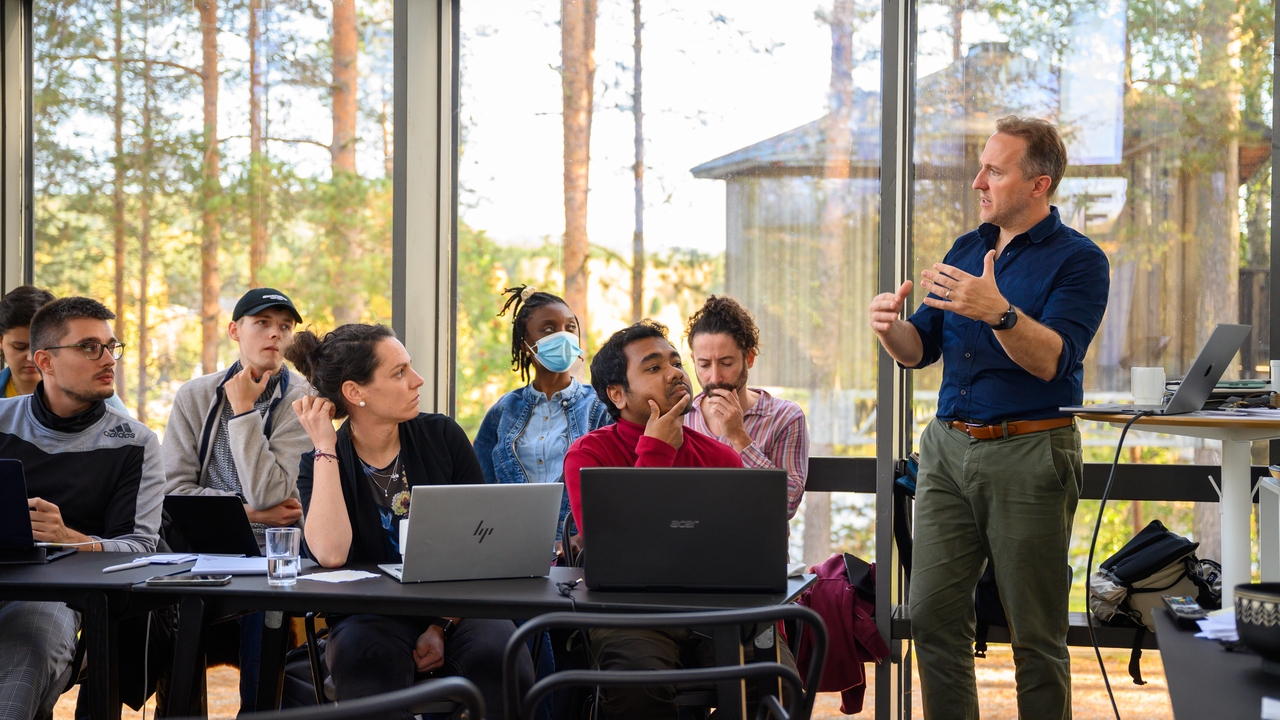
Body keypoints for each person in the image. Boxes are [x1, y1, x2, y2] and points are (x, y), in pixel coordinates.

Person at [868, 115, 1110, 720]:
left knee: (1037, 635)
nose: (978, 181)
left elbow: (1054, 360)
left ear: (1038, 184)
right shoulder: (967, 247)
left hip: (1030, 453)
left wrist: (999, 313)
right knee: (932, 618)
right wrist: (889, 328)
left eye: (994, 170)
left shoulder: (1080, 261)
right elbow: (920, 349)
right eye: (981, 166)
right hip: (948, 450)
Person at [288, 323, 533, 719]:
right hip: (369, 618)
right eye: (399, 372)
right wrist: (324, 446)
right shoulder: (320, 463)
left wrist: (441, 625)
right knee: (365, 660)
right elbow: (331, 554)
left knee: (502, 656)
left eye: (410, 368)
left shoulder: (443, 437)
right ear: (355, 392)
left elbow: (482, 546)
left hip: (457, 608)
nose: (417, 380)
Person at [563, 319, 794, 720]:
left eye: (674, 361)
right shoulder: (589, 455)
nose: (674, 372)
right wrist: (654, 451)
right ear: (617, 393)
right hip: (630, 615)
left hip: (718, 611)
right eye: (653, 368)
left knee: (778, 683)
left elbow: (750, 548)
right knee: (638, 686)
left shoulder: (721, 456)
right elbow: (615, 547)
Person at [0, 297, 164, 720]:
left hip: (58, 601)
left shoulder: (135, 442)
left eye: (111, 347)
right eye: (90, 347)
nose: (109, 359)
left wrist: (69, 539)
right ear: (45, 361)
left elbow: (142, 550)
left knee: (26, 649)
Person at [161, 287, 311, 711]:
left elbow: (272, 490)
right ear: (234, 330)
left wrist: (244, 411)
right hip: (199, 554)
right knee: (177, 642)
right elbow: (173, 492)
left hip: (275, 558)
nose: (274, 335)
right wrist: (252, 512)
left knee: (267, 632)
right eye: (262, 323)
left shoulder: (302, 399)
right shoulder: (194, 395)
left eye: (284, 327)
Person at [473, 285, 611, 553]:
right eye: (548, 329)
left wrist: (582, 539)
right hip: (511, 548)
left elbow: (614, 488)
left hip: (578, 555)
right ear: (525, 345)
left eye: (570, 328)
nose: (562, 336)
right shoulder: (502, 412)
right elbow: (481, 487)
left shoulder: (600, 408)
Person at [683, 294, 809, 519]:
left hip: (756, 552)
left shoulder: (785, 417)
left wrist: (740, 438)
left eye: (726, 363)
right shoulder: (681, 416)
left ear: (749, 358)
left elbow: (787, 505)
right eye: (703, 364)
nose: (715, 376)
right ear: (693, 360)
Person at [0, 285, 128, 412]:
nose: (31, 357)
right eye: (19, 347)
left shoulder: (108, 406)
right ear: (1, 341)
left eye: (39, 347)